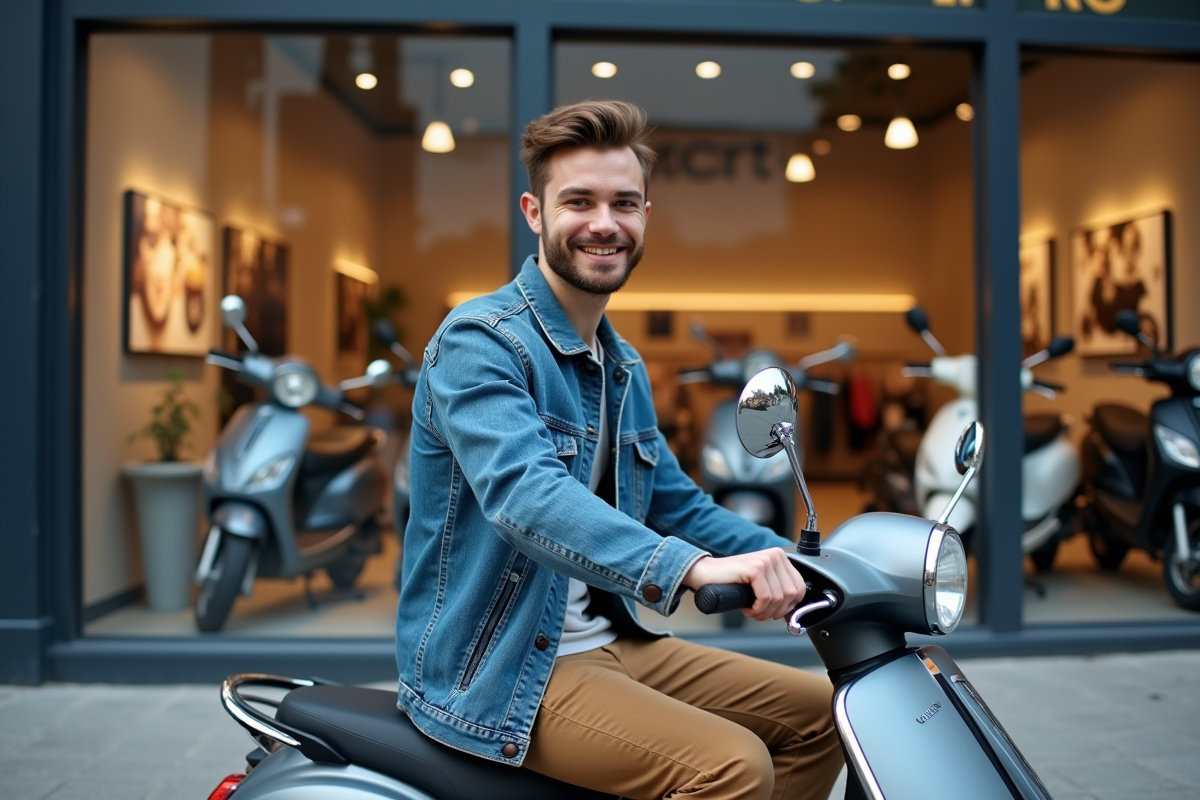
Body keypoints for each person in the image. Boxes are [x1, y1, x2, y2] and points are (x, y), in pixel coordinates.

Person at [395, 99, 843, 800]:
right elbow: (528, 498)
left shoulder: (620, 363)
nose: (604, 223)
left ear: (644, 218)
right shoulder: (480, 341)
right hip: (502, 668)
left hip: (612, 641)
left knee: (826, 715)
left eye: (623, 203)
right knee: (731, 766)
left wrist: (808, 563)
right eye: (579, 201)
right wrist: (690, 570)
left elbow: (676, 502)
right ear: (534, 212)